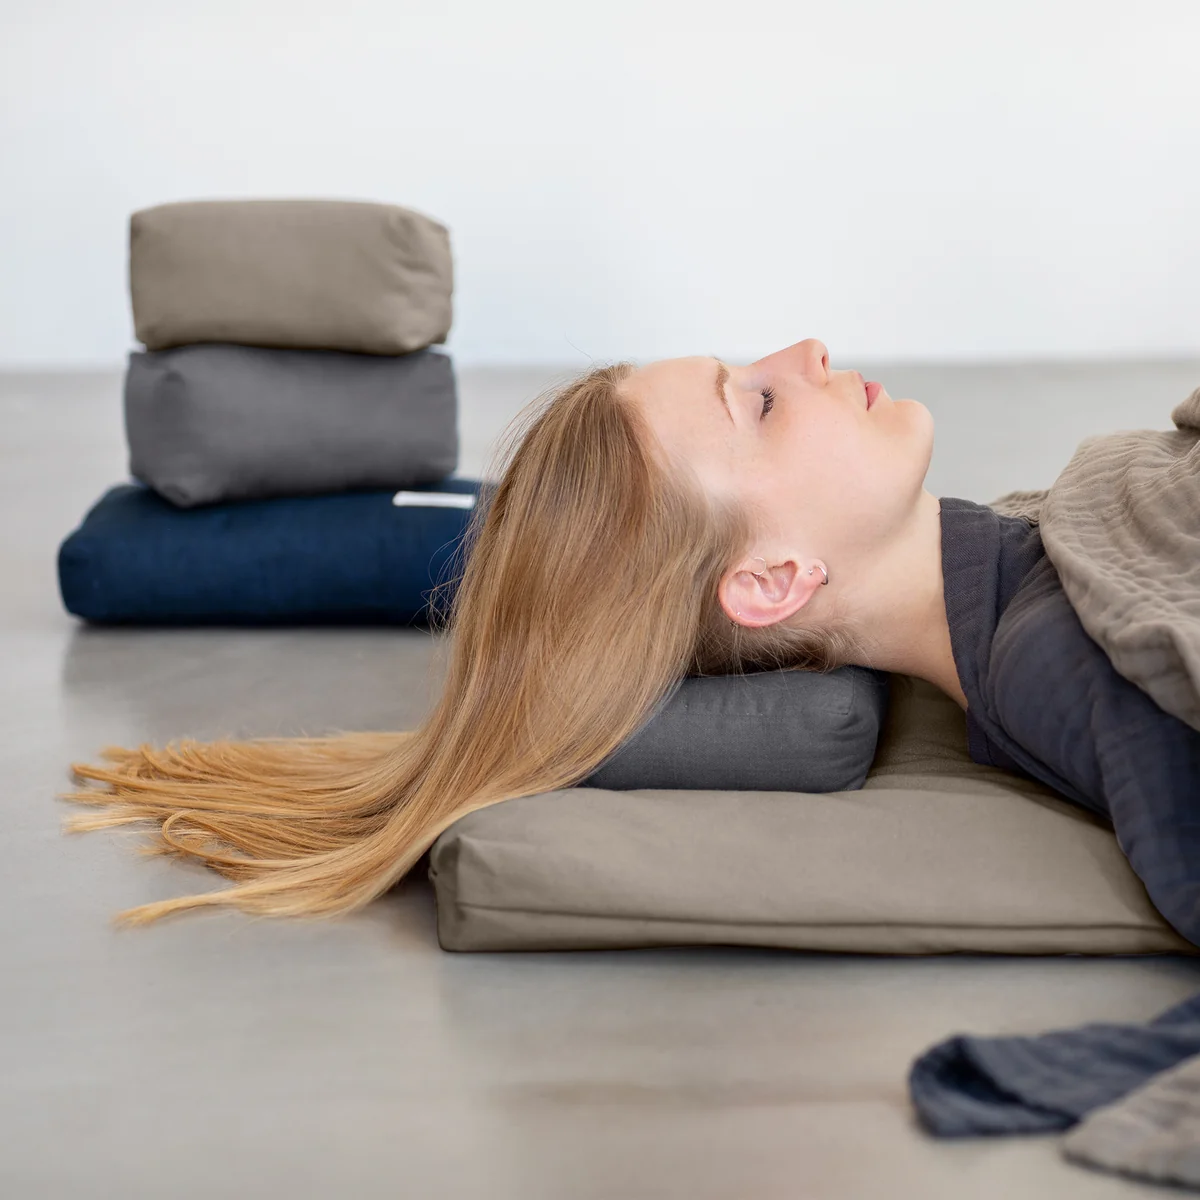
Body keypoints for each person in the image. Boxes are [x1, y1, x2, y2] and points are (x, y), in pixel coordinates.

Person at [67, 339, 1200, 931]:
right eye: (758, 403)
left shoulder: (1033, 558)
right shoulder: (1064, 653)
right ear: (772, 582)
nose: (806, 351)